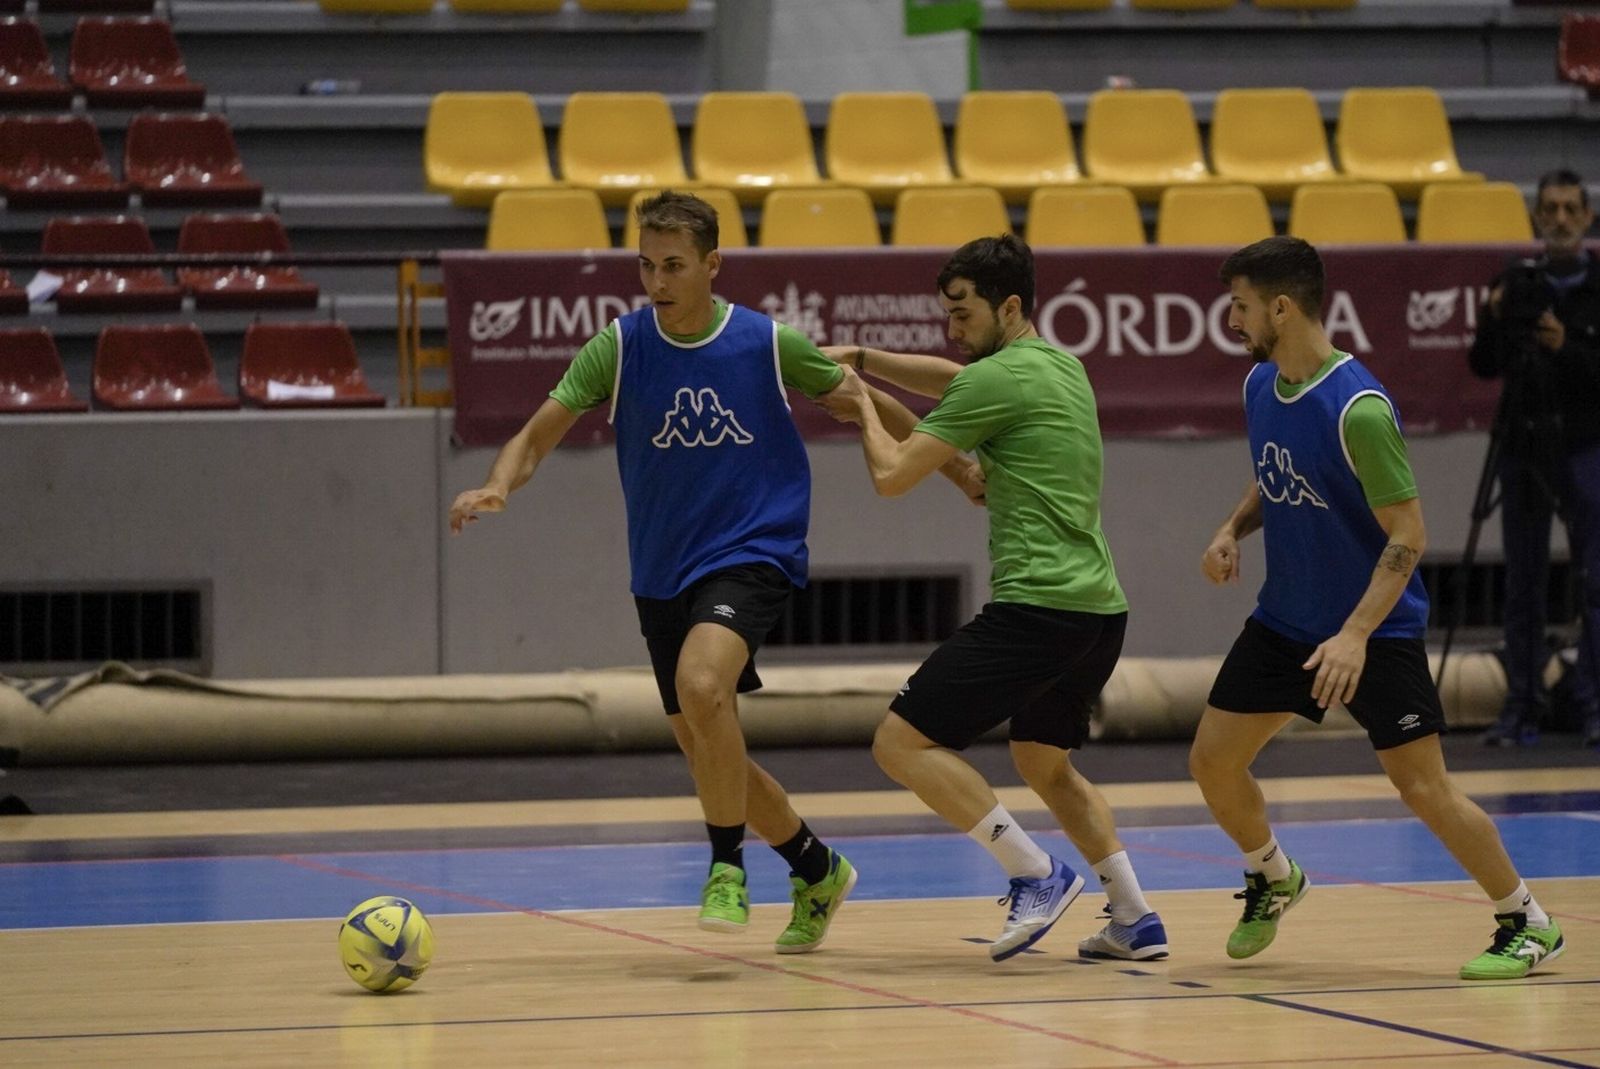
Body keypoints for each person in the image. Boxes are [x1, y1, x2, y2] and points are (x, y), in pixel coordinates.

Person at [449, 190, 905, 953]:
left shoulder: (765, 342)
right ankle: (816, 866)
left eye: (673, 265)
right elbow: (535, 435)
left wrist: (935, 456)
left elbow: (857, 395)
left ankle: (726, 867)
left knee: (702, 686)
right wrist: (500, 482)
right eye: (645, 264)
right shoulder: (620, 347)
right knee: (706, 741)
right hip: (663, 569)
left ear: (712, 265)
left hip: (754, 551)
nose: (656, 279)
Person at [1192, 235, 1565, 980]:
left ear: (1282, 306)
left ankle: (1526, 919)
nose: (1230, 320)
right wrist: (1232, 527)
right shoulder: (1261, 384)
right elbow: (1276, 472)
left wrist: (1356, 635)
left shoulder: (1358, 407)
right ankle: (1273, 874)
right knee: (1212, 762)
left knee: (1423, 787)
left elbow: (1410, 535)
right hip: (1284, 622)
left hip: (1374, 628)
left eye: (1239, 306)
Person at [817, 234, 1167, 964]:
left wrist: (861, 406)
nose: (953, 326)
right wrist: (871, 362)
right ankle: (1134, 917)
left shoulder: (993, 382)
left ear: (1007, 305)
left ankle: (1034, 872)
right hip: (1098, 609)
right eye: (947, 312)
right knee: (1045, 762)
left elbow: (891, 477)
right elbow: (954, 380)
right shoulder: (1059, 366)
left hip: (1037, 606)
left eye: (963, 311)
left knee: (901, 741)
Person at [1467, 169, 1600, 748]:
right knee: (1522, 583)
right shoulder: (1515, 284)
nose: (1562, 220)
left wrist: (1564, 347)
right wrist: (1493, 317)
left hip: (1586, 446)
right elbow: (1483, 366)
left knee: (1594, 580)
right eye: (1551, 209)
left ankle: (1593, 703)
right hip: (1523, 448)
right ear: (1536, 218)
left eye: (1572, 209)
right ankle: (1520, 704)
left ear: (1588, 217)